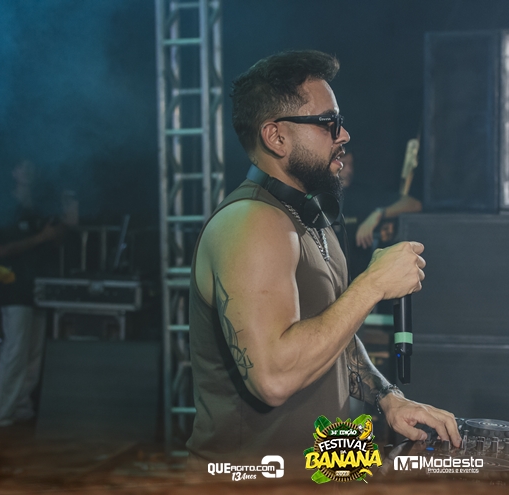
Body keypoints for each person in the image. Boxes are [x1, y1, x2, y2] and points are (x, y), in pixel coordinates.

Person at [187, 50, 460, 476]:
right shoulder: (251, 223)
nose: (344, 134)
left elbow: (334, 334)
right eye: (328, 122)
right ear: (276, 137)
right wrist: (373, 284)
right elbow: (274, 378)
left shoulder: (310, 218)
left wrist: (388, 397)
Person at [0, 159, 75, 428]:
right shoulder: (5, 206)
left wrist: (64, 221)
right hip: (14, 289)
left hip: (39, 289)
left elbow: (58, 240)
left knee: (34, 355)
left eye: (32, 166)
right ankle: (0, 414)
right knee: (15, 352)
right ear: (13, 172)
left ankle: (21, 409)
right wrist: (42, 237)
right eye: (22, 166)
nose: (28, 170)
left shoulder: (39, 209)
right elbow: (3, 250)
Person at [338, 150, 423, 280]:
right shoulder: (318, 197)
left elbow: (414, 204)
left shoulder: (363, 195)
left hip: (359, 280)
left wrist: (378, 213)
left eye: (351, 165)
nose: (349, 170)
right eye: (344, 164)